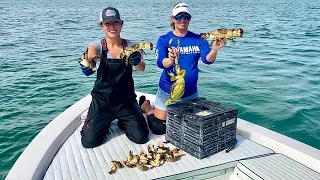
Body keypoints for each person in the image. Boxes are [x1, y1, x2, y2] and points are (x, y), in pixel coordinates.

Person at [140, 2, 226, 135]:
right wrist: (171, 59)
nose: (183, 20)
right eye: (179, 16)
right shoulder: (164, 39)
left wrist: (214, 49)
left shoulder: (199, 39)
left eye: (186, 16)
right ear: (172, 19)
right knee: (159, 128)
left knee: (195, 129)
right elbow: (160, 63)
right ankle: (146, 107)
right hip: (168, 91)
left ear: (190, 19)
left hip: (191, 93)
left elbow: (207, 60)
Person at [79, 7, 149, 148]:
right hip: (102, 102)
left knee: (141, 137)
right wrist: (87, 65)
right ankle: (100, 122)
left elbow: (141, 68)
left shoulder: (130, 45)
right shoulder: (96, 46)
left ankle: (124, 121)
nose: (112, 27)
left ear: (121, 24)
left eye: (116, 22)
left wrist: (136, 61)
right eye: (108, 23)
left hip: (126, 101)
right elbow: (91, 57)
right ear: (102, 26)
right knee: (88, 142)